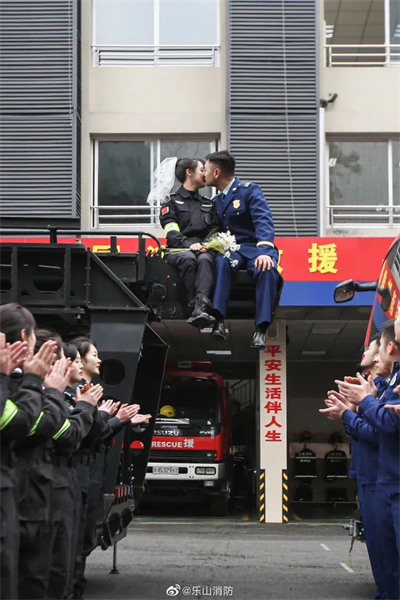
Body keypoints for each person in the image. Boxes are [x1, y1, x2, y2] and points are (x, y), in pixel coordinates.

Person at [335, 319, 400, 600]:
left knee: (389, 561)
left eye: (371, 347)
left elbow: (381, 428)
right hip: (378, 479)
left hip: (385, 481)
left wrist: (352, 411)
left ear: (387, 349)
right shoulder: (384, 385)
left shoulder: (387, 386)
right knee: (383, 557)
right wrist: (353, 407)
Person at [204, 150, 281, 349]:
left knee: (267, 270)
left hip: (255, 249)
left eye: (206, 169)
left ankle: (261, 329)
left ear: (217, 172)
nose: (204, 173)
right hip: (233, 251)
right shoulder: (216, 202)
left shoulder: (249, 190)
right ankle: (218, 321)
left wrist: (265, 251)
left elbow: (263, 221)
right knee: (221, 262)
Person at [159, 157, 219, 328]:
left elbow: (214, 229)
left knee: (206, 260)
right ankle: (192, 303)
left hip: (204, 249)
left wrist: (207, 244)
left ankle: (201, 307)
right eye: (202, 170)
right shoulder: (170, 201)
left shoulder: (209, 204)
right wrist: (187, 244)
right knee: (189, 258)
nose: (205, 174)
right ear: (189, 172)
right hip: (178, 250)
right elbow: (171, 230)